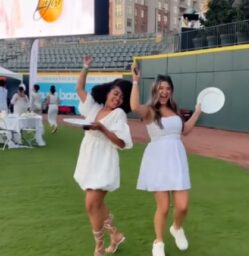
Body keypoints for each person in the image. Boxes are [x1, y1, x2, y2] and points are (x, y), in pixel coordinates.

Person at [130, 64, 202, 256]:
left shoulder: (175, 111)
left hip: (177, 160)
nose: (164, 92)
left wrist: (196, 112)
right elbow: (134, 106)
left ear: (171, 91)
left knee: (182, 206)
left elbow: (184, 131)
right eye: (161, 88)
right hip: (157, 161)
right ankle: (158, 242)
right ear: (155, 90)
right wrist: (135, 81)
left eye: (167, 88)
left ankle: (176, 228)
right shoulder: (151, 111)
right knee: (162, 207)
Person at [74, 55, 133, 256]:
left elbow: (122, 142)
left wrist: (102, 129)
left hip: (104, 161)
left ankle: (99, 248)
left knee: (91, 204)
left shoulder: (119, 115)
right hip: (87, 158)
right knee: (97, 204)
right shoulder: (95, 107)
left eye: (121, 98)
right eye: (115, 94)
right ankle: (115, 235)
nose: (117, 99)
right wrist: (85, 67)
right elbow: (80, 90)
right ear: (108, 92)